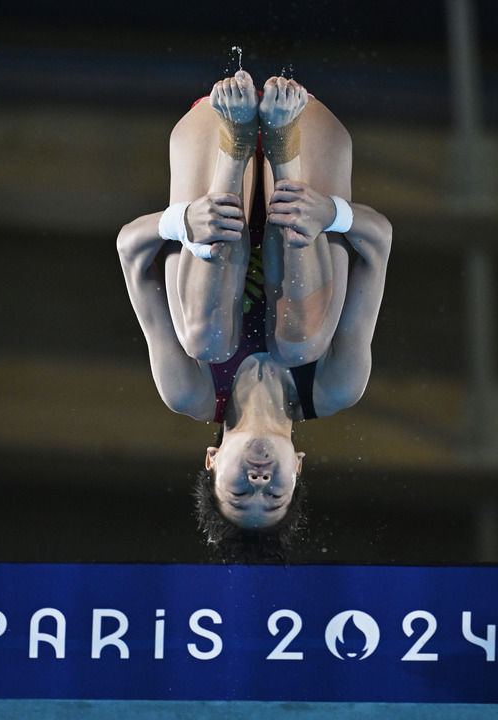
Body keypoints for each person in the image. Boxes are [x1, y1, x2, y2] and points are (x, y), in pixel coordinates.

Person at [117, 70, 391, 557]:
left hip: (213, 134)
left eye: (241, 493)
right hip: (306, 137)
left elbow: (130, 253)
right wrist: (331, 213)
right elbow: (379, 243)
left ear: (212, 460)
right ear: (298, 467)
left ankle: (235, 147)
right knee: (301, 343)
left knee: (205, 340)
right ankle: (283, 154)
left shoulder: (190, 390)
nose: (259, 481)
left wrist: (180, 222)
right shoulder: (335, 385)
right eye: (274, 495)